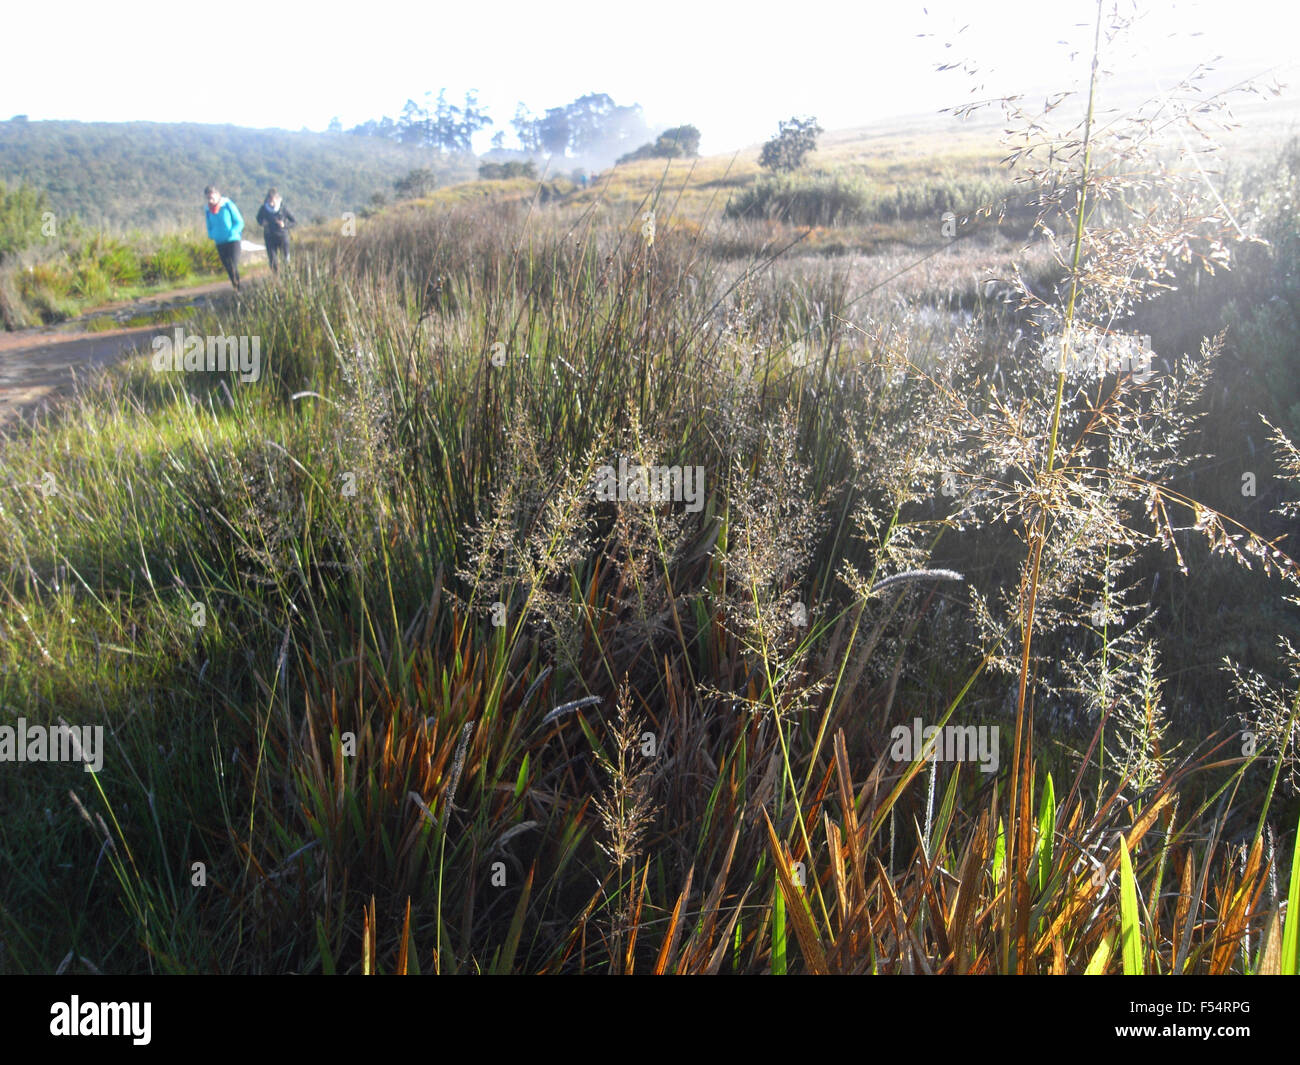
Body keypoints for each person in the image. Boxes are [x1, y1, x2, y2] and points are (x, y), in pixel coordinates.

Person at [204, 185, 244, 291]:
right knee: (227, 267)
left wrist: (232, 232)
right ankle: (236, 288)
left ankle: (239, 288)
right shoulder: (208, 210)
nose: (210, 200)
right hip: (219, 241)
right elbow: (209, 225)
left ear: (218, 195)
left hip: (233, 240)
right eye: (208, 198)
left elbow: (239, 222)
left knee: (233, 264)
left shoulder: (228, 205)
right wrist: (211, 234)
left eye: (212, 197)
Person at [256, 187, 296, 273]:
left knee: (286, 259)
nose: (271, 203)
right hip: (269, 237)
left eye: (273, 201)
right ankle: (275, 279)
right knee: (273, 260)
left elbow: (294, 222)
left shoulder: (283, 208)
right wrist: (263, 223)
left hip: (283, 237)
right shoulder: (264, 209)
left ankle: (287, 276)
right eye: (269, 200)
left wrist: (284, 225)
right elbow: (258, 218)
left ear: (277, 199)